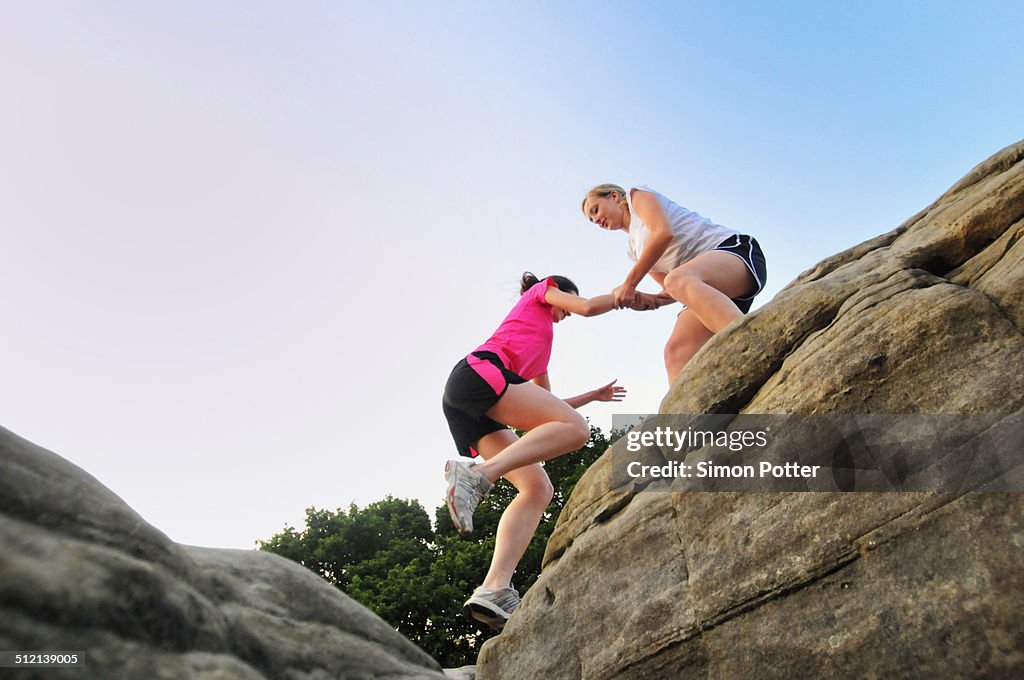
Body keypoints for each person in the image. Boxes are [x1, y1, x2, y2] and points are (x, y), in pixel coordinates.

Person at [443, 272, 641, 631]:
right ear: (558, 292)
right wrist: (624, 295)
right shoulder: (541, 292)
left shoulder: (540, 355)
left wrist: (593, 396)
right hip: (478, 374)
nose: (565, 316)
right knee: (577, 430)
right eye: (564, 305)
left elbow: (548, 408)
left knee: (538, 488)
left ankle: (494, 589)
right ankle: (477, 476)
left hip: (474, 396)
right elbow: (585, 307)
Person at [581, 184, 767, 383]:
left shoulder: (638, 197)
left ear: (615, 197)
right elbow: (669, 291)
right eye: (592, 221)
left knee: (677, 279)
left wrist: (629, 283)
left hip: (734, 254)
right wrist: (645, 300)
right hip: (704, 288)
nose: (597, 220)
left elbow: (663, 233)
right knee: (675, 352)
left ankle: (759, 347)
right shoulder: (634, 250)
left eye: (596, 210)